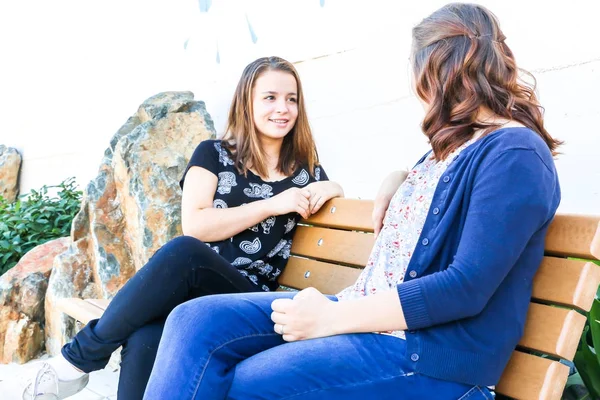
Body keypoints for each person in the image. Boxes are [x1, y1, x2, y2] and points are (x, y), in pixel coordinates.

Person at [142, 3, 563, 400]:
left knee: (243, 382)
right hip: (363, 314)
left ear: (438, 73)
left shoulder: (515, 154)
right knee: (192, 321)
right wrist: (401, 177)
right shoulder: (456, 147)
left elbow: (465, 287)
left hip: (424, 357)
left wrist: (331, 320)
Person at [23, 56, 344, 400]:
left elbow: (333, 196)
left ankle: (79, 359)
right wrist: (272, 204)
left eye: (291, 99)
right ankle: (81, 360)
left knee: (183, 252)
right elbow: (197, 224)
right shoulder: (213, 155)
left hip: (252, 298)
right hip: (198, 289)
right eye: (270, 97)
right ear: (246, 102)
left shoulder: (304, 171)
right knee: (146, 334)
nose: (282, 108)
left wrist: (332, 187)